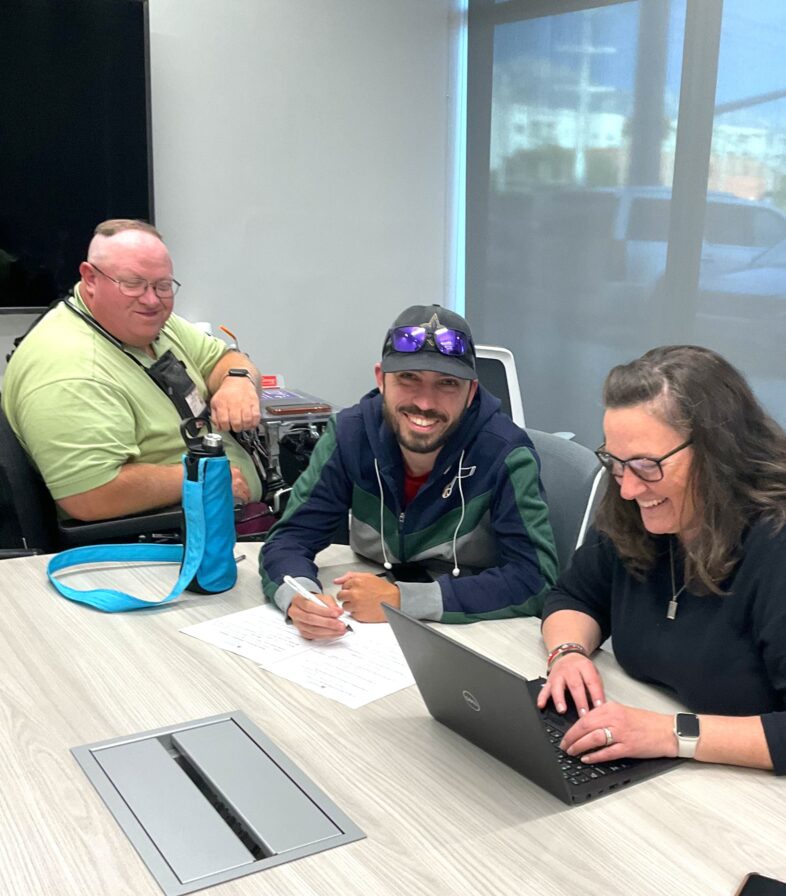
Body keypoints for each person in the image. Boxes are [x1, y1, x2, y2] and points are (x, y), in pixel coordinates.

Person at [539, 345, 786, 784]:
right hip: (713, 767)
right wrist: (568, 653)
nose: (629, 488)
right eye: (615, 463)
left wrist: (670, 734)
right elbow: (573, 596)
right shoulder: (638, 510)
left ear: (717, 450)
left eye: (647, 466)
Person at [259, 304, 558, 634]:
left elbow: (535, 578)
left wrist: (403, 601)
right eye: (408, 378)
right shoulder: (349, 435)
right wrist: (300, 596)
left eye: (447, 383)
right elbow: (290, 539)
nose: (425, 403)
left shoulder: (504, 453)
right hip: (367, 626)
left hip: (471, 628)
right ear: (381, 380)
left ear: (471, 392)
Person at [2, 219, 262, 521]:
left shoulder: (145, 322)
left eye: (163, 285)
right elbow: (90, 496)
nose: (152, 300)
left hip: (231, 511)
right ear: (89, 278)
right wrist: (204, 479)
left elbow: (222, 359)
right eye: (132, 284)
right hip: (167, 540)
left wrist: (237, 381)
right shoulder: (70, 368)